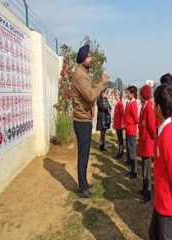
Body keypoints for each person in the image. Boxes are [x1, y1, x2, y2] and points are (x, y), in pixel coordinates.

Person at [148, 84, 172, 240]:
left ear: (158, 107)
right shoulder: (163, 131)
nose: (151, 105)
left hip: (167, 204)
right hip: (160, 200)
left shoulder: (169, 138)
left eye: (153, 103)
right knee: (153, 234)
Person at [71, 44, 108, 198]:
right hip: (82, 120)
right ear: (82, 60)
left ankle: (84, 183)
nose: (91, 59)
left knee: (85, 154)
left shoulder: (83, 73)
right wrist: (102, 83)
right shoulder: (80, 76)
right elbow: (91, 96)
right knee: (83, 154)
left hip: (83, 118)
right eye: (89, 57)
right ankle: (83, 187)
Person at [138, 85, 156, 204]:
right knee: (144, 166)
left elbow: (151, 126)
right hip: (144, 141)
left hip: (148, 142)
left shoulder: (148, 107)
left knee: (147, 168)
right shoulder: (144, 106)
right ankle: (144, 188)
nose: (139, 97)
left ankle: (148, 192)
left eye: (141, 94)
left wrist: (153, 138)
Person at [124, 85, 139, 179]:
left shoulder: (133, 104)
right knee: (129, 148)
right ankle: (131, 166)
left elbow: (136, 119)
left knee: (132, 151)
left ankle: (134, 172)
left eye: (128, 93)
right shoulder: (129, 103)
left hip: (132, 130)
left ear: (132, 94)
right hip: (128, 129)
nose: (127, 94)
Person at [113, 89, 125, 159]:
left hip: (119, 125)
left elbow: (122, 116)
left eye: (116, 95)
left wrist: (121, 125)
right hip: (117, 124)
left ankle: (120, 153)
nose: (115, 96)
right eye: (114, 95)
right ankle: (119, 152)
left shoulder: (120, 104)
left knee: (120, 140)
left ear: (119, 95)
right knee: (119, 139)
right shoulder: (118, 103)